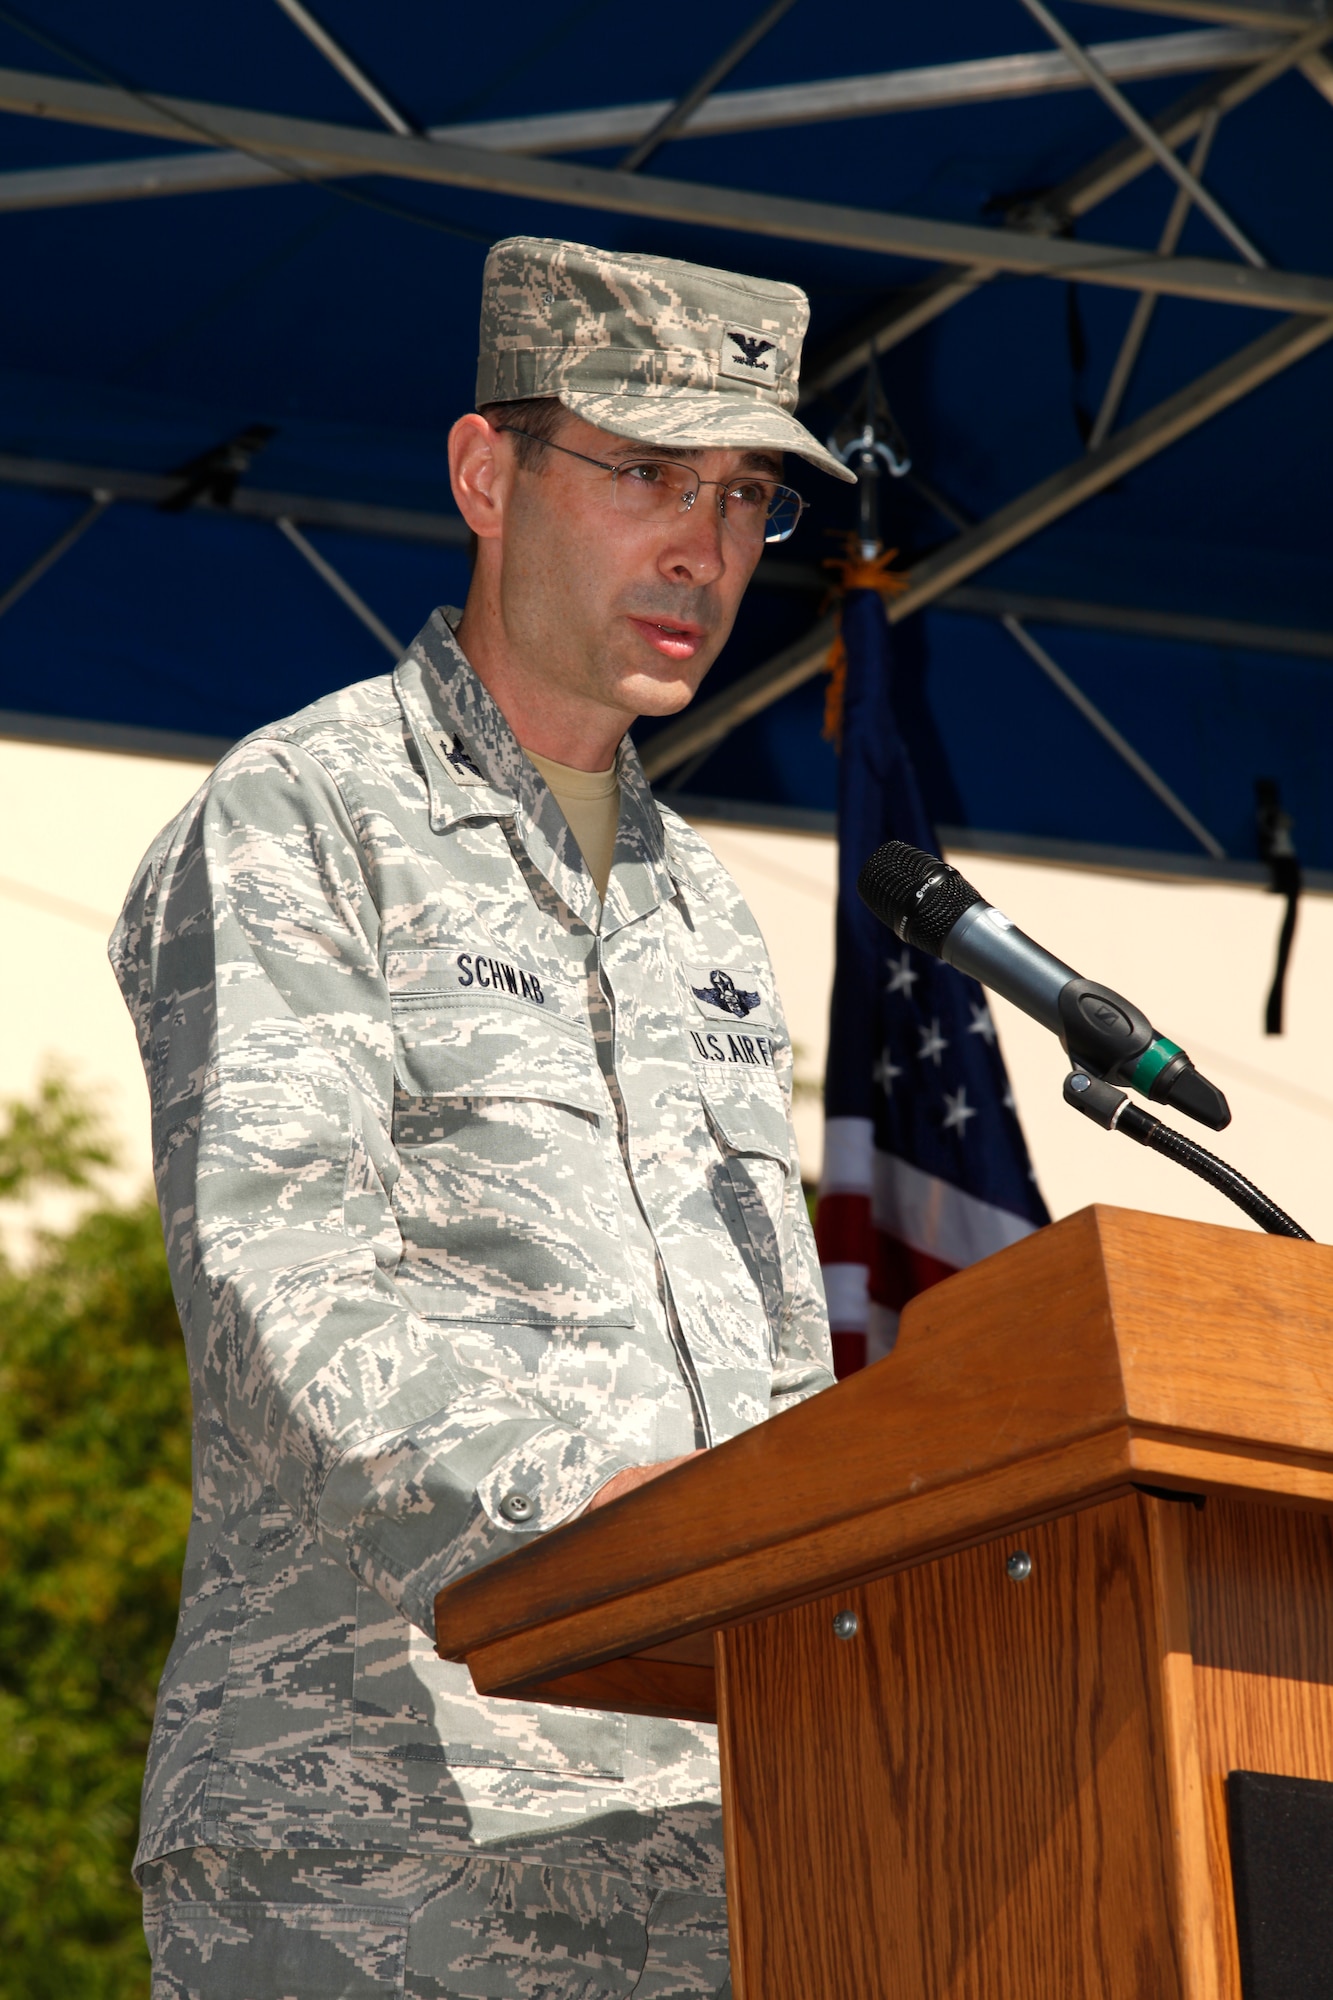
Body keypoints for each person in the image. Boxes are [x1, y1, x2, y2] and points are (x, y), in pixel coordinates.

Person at [111, 235, 851, 1999]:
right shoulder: (306, 819)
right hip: (379, 1829)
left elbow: (779, 1377)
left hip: (723, 1834)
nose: (706, 546)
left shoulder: (708, 914)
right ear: (483, 474)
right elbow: (281, 1275)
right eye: (651, 475)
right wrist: (593, 1510)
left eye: (747, 497)